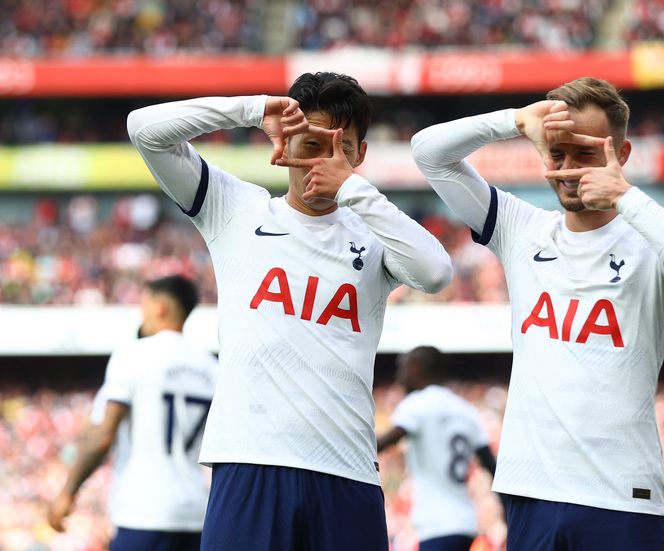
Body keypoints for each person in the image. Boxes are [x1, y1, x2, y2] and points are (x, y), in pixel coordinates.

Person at [127, 72, 452, 550]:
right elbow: (144, 129)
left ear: (360, 155)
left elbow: (436, 272)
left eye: (339, 149)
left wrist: (353, 189)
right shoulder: (236, 209)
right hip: (249, 463)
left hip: (346, 469)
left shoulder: (375, 233)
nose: (321, 161)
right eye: (310, 144)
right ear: (284, 143)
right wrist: (253, 109)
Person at [411, 77, 664, 549]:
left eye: (585, 153)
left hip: (622, 496)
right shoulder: (521, 228)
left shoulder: (650, 240)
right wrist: (514, 121)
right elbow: (429, 154)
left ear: (621, 154)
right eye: (557, 153)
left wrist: (625, 196)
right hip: (531, 492)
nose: (568, 169)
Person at [48, 275, 218, 551]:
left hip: (143, 510)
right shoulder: (211, 368)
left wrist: (68, 492)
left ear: (160, 308)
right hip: (196, 512)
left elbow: (103, 435)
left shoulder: (134, 355)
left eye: (144, 304)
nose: (141, 314)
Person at [377, 346, 501, 551]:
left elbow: (384, 442)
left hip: (437, 524)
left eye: (403, 368)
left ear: (418, 368)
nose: (399, 378)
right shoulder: (466, 410)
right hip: (466, 522)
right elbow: (491, 466)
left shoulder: (417, 403)